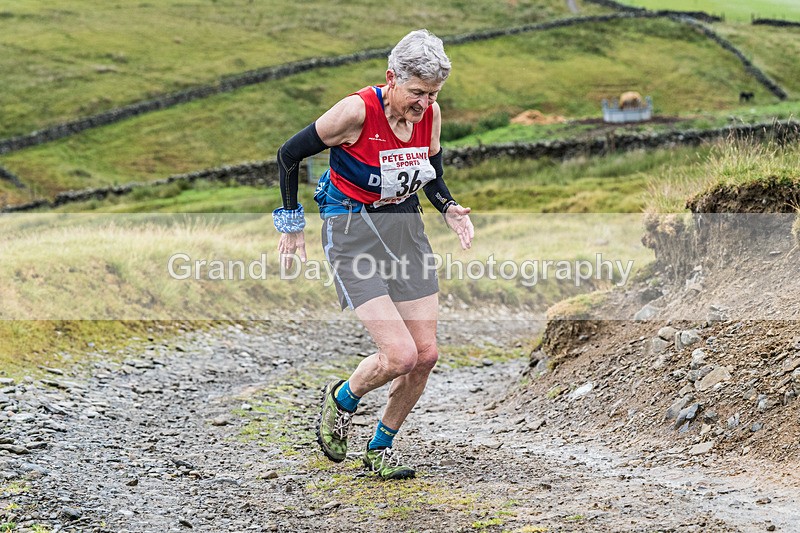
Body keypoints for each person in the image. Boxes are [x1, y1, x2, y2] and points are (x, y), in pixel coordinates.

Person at [272, 29, 474, 480]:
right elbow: (288, 155)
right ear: (392, 78)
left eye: (434, 94)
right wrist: (290, 223)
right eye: (417, 93)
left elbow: (432, 171)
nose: (424, 104)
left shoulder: (429, 114)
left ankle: (380, 446)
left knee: (425, 355)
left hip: (404, 230)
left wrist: (448, 207)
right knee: (399, 356)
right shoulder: (356, 111)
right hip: (351, 233)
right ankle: (342, 399)